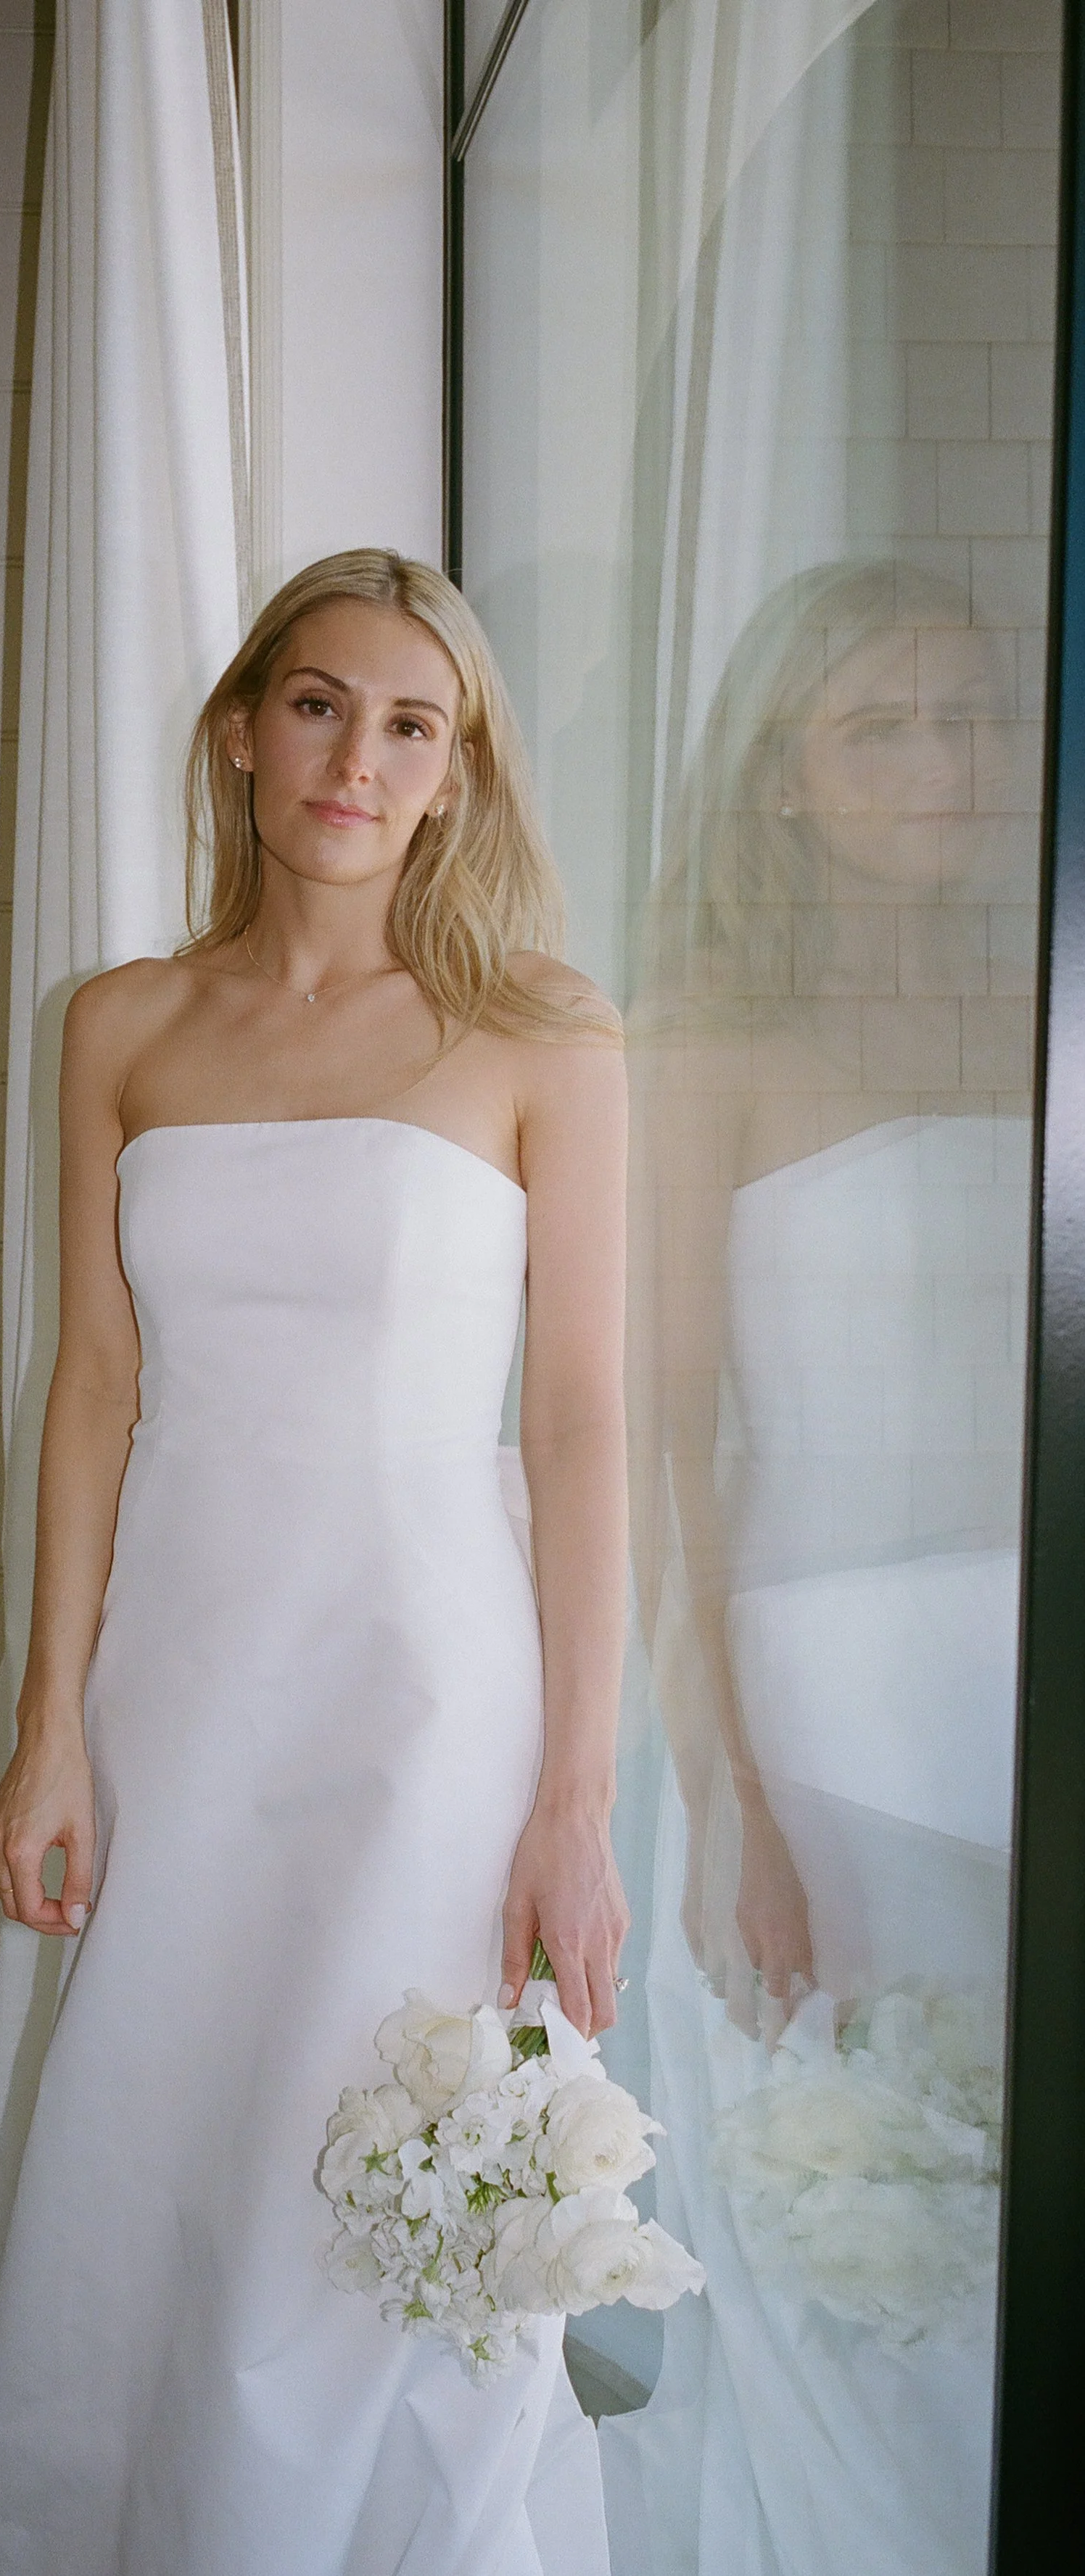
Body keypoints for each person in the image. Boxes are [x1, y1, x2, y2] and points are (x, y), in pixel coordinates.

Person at [0, 549, 630, 2575]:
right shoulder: (122, 1025)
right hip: (185, 1659)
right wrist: (47, 1721)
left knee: (388, 2146)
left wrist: (574, 1794)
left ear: (458, 778)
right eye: (320, 704)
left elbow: (580, 1424)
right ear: (242, 732)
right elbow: (93, 1378)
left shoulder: (541, 1037)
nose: (357, 756)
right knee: (169, 2121)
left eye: (411, 723)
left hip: (424, 1677)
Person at [603, 560, 1031, 2576]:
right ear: (779, 777)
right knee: (874, 2155)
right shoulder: (706, 1039)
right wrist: (725, 1790)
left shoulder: (1038, 986)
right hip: (833, 1671)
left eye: (966, 719)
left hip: (1033, 1640)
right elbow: (663, 1436)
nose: (943, 764)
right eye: (884, 726)